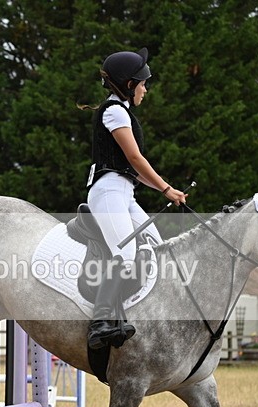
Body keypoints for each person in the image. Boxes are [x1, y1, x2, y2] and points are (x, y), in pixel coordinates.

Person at [84, 48, 187, 350]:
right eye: (142, 83)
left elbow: (133, 168)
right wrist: (166, 188)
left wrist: (169, 192)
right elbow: (134, 157)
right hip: (108, 192)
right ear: (129, 85)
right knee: (125, 253)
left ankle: (130, 313)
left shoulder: (123, 111)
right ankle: (101, 323)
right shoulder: (114, 111)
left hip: (125, 192)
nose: (146, 88)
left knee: (156, 248)